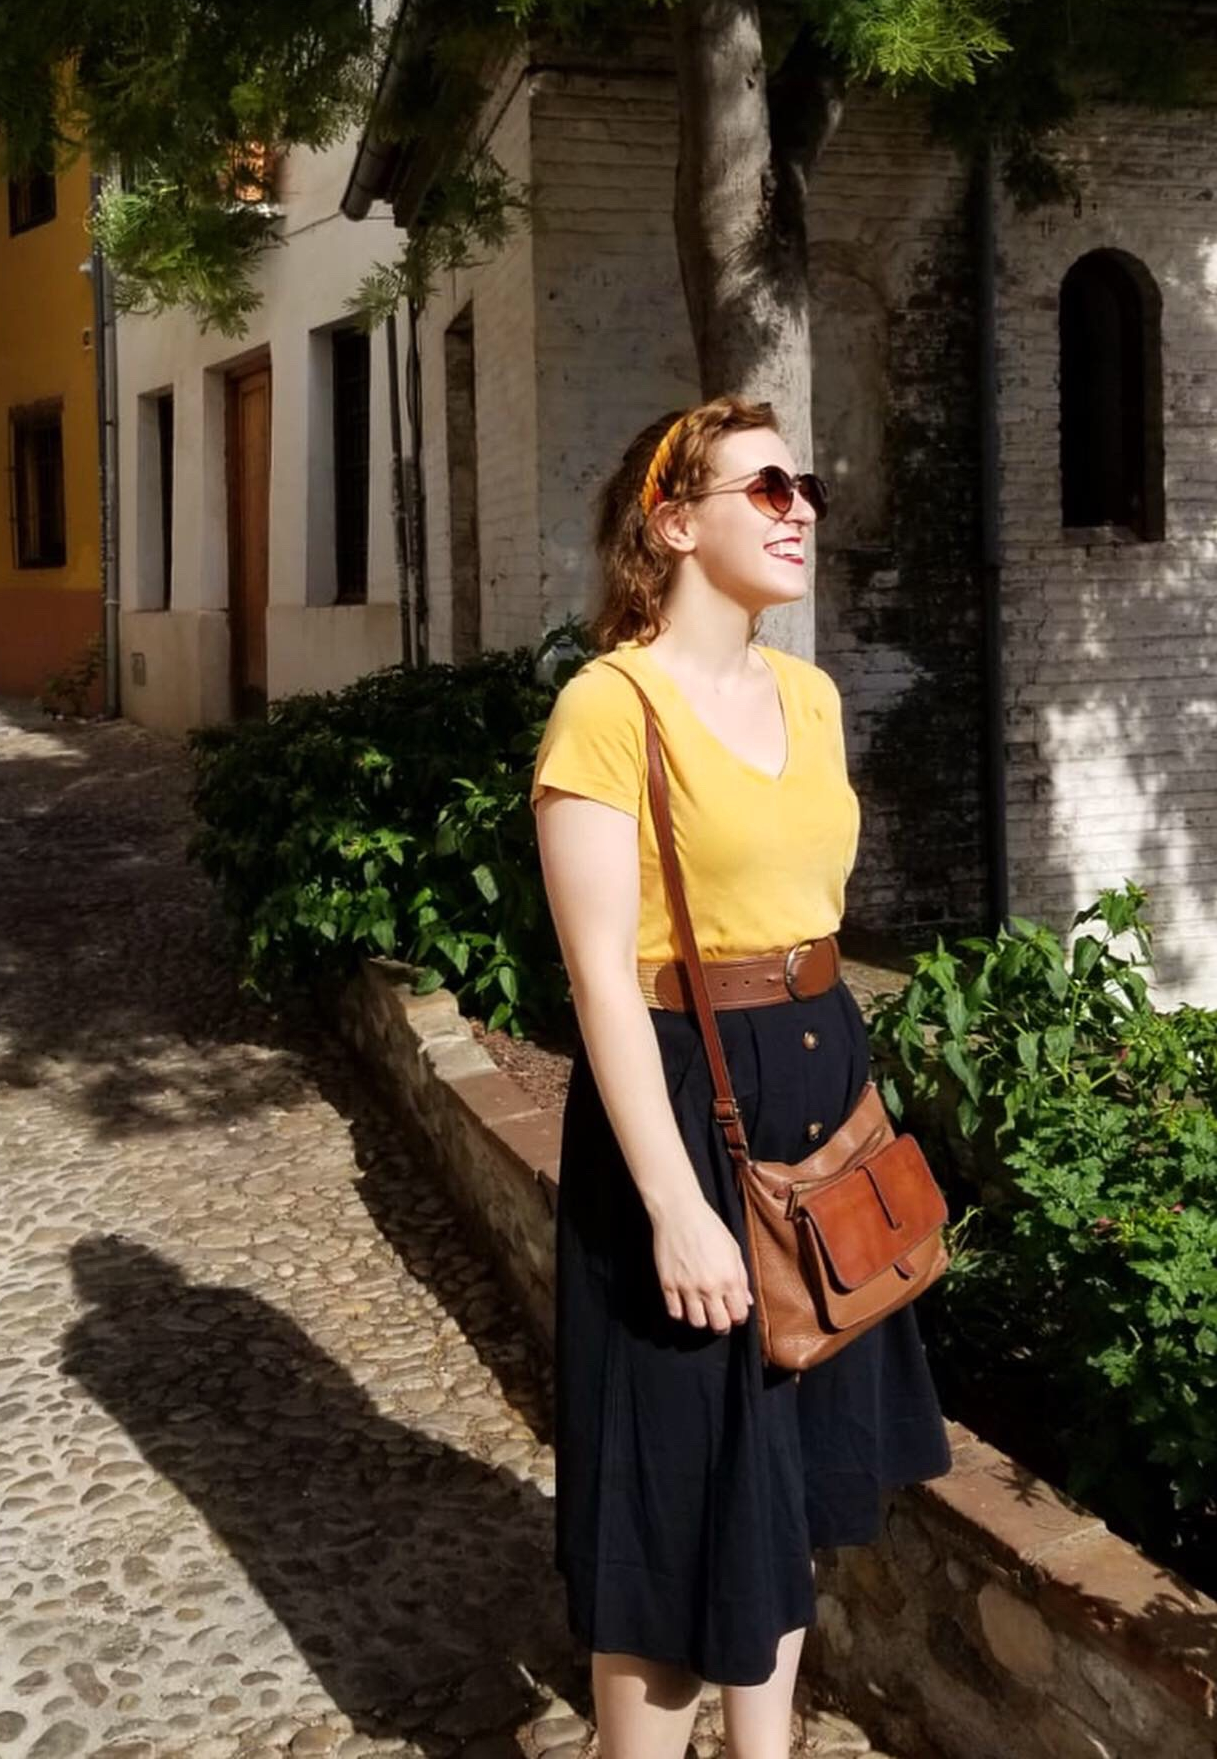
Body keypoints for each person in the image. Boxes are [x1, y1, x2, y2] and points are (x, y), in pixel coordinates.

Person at [530, 396, 952, 1759]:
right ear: (672, 523)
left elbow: (808, 917)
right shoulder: (609, 709)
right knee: (671, 1501)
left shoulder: (809, 697)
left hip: (821, 1089)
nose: (799, 509)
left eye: (803, 486)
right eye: (765, 488)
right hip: (681, 1101)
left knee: (788, 1481)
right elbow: (602, 978)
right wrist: (672, 1205)